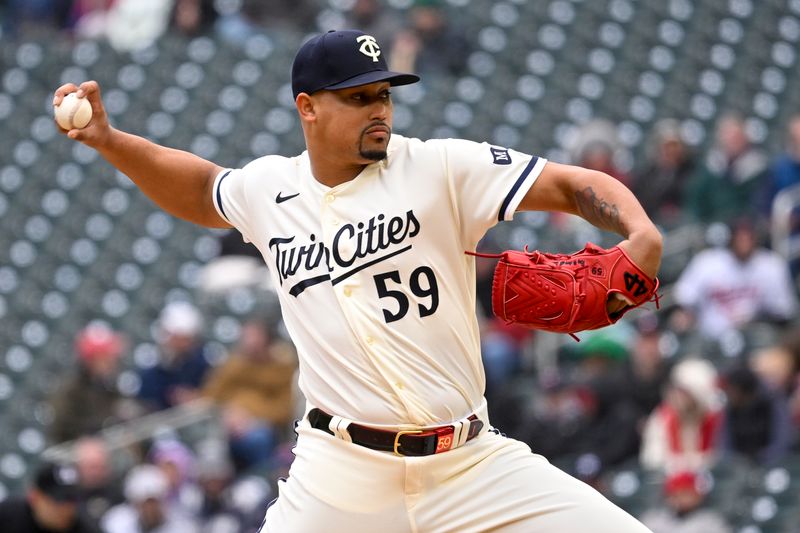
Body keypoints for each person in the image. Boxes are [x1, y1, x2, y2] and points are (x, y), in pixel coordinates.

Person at [54, 28, 662, 532]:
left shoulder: (438, 167)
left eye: (384, 96)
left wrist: (640, 234)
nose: (379, 110)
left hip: (470, 465)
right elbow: (199, 187)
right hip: (340, 477)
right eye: (358, 97)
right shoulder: (270, 190)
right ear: (307, 107)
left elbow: (570, 184)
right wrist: (109, 141)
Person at [672, 217, 798, 339]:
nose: (744, 241)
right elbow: (684, 300)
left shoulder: (771, 265)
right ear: (730, 237)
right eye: (739, 236)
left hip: (758, 338)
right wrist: (685, 317)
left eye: (748, 236)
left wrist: (757, 319)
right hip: (711, 341)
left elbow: (783, 312)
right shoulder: (707, 262)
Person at [202, 316, 298, 471]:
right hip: (226, 426)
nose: (250, 342)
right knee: (209, 446)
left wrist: (249, 417)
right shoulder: (234, 365)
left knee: (259, 438)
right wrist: (230, 415)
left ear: (267, 341)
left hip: (265, 428)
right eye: (247, 336)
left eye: (255, 337)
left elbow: (284, 409)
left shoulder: (282, 369)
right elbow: (211, 396)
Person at [49, 323, 138, 444]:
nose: (112, 362)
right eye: (106, 358)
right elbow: (61, 430)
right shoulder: (72, 392)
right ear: (92, 360)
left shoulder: (112, 388)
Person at [640, 358, 723, 474]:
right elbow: (652, 461)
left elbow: (721, 460)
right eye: (676, 390)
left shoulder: (716, 419)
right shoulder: (661, 418)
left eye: (683, 392)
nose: (677, 397)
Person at [684, 113, 768, 223]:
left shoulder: (758, 170)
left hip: (743, 226)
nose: (732, 141)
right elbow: (697, 201)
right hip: (710, 224)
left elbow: (758, 205)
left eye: (736, 137)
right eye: (728, 136)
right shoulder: (710, 167)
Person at [137, 301, 212, 412]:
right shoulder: (153, 365)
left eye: (185, 339)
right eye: (176, 338)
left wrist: (197, 397)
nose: (180, 343)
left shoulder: (202, 365)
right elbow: (146, 397)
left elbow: (213, 394)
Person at [0, 461, 101, 533]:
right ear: (34, 496)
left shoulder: (87, 528)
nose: (66, 508)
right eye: (59, 500)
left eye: (72, 499)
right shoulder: (7, 515)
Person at [100, 464, 198, 533]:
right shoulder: (118, 523)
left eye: (153, 502)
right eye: (144, 504)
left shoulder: (183, 527)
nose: (149, 509)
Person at [639, 470, 731, 533]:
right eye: (681, 493)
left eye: (690, 493)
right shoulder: (653, 519)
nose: (686, 498)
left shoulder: (711, 521)